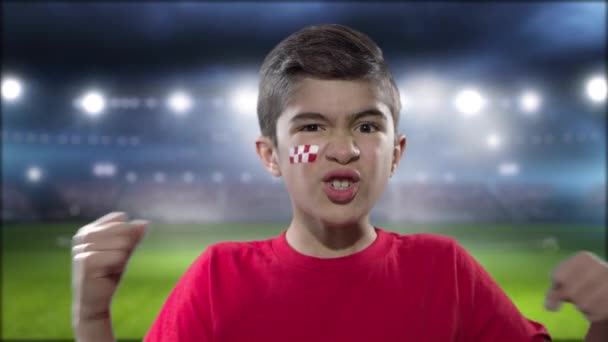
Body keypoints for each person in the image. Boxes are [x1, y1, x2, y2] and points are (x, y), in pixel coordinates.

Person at [71, 24, 608, 342]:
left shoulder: (445, 271)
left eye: (367, 126)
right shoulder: (216, 280)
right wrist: (92, 317)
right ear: (272, 155)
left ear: (395, 154)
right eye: (311, 127)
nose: (343, 148)